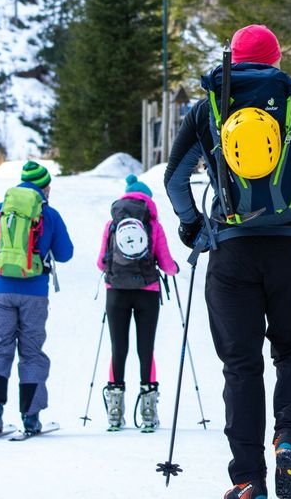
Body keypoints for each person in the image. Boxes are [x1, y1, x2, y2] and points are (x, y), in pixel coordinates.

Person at [164, 24, 291, 499]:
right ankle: (289, 436)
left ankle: (248, 479)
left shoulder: (207, 109)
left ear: (235, 58)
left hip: (231, 252)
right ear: (276, 60)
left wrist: (190, 227)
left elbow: (174, 178)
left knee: (241, 367)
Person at [0, 161, 73, 435]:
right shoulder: (48, 214)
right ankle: (31, 417)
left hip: (1, 290)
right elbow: (65, 253)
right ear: (45, 187)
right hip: (34, 293)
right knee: (31, 352)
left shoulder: (1, 210)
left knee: (0, 347)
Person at [96, 174, 178, 432]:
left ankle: (115, 413)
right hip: (147, 292)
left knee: (118, 348)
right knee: (146, 349)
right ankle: (148, 413)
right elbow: (166, 264)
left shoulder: (112, 224)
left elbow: (101, 262)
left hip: (116, 292)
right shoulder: (153, 225)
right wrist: (174, 268)